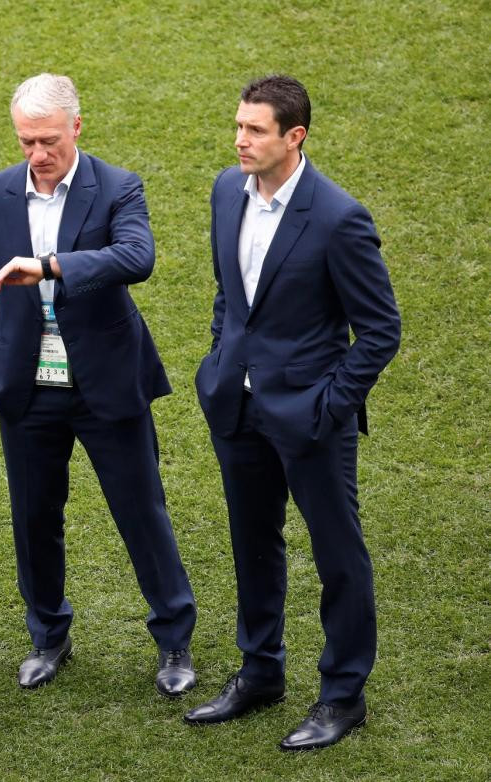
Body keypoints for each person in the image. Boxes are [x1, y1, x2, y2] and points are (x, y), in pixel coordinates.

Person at [0, 73, 197, 697]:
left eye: (48, 140)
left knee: (141, 513)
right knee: (34, 518)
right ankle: (48, 635)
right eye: (25, 141)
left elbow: (135, 257)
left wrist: (49, 267)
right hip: (26, 390)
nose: (37, 154)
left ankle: (174, 639)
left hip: (108, 387)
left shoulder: (118, 186)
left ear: (77, 128)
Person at [186, 75, 401, 751]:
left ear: (294, 137)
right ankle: (261, 673)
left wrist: (331, 405)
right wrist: (221, 356)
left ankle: (343, 695)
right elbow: (231, 291)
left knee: (339, 556)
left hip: (311, 419)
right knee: (253, 543)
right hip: (238, 405)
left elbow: (381, 330)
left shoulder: (339, 218)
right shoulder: (228, 190)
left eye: (255, 130)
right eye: (238, 127)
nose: (240, 141)